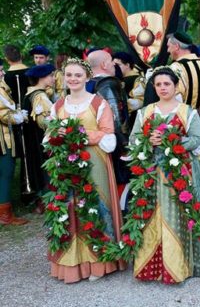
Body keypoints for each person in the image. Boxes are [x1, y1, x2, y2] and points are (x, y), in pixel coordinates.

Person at [129, 67, 200, 283]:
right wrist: (147, 142)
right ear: (154, 87)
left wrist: (173, 141)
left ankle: (183, 262)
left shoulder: (187, 112)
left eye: (166, 84)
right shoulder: (145, 112)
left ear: (175, 85)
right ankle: (155, 264)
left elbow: (197, 139)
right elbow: (133, 139)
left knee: (183, 213)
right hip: (152, 172)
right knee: (153, 213)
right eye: (158, 84)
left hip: (183, 170)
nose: (162, 88)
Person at [47, 58, 125, 283]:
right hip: (65, 162)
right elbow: (50, 132)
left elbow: (108, 133)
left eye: (78, 75)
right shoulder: (59, 105)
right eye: (69, 75)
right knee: (70, 206)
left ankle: (100, 261)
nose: (73, 79)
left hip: (94, 161)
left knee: (96, 205)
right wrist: (57, 136)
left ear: (87, 78)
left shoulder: (98, 103)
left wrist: (77, 134)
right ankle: (74, 263)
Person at [167, 31, 200, 196]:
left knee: (187, 167)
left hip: (186, 122)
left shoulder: (176, 68)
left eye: (169, 46)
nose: (168, 50)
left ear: (177, 46)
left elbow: (175, 100)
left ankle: (195, 208)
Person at [88, 50, 130, 187]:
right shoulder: (108, 84)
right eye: (111, 61)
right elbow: (117, 117)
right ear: (104, 64)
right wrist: (124, 144)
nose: (114, 65)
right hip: (110, 141)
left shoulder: (84, 84)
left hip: (90, 139)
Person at [22, 64, 56, 212]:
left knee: (37, 165)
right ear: (42, 77)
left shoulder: (30, 93)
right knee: (44, 166)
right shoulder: (39, 96)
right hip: (40, 138)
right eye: (51, 75)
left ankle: (43, 200)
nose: (54, 78)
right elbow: (45, 121)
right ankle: (49, 200)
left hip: (32, 138)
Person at [0, 63, 28, 225]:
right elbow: (3, 114)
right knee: (6, 172)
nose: (3, 73)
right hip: (2, 139)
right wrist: (19, 117)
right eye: (1, 70)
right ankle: (5, 215)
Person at [113, 51, 146, 131]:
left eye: (118, 65)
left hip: (134, 120)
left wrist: (119, 107)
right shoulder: (117, 80)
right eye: (114, 65)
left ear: (127, 65)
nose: (115, 68)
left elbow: (140, 101)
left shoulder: (139, 79)